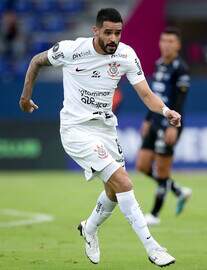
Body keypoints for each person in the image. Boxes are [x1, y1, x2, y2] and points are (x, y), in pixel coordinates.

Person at [19, 8, 179, 267]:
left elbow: (147, 94)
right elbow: (37, 60)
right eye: (108, 33)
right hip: (76, 129)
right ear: (95, 31)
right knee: (124, 183)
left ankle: (89, 228)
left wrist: (165, 110)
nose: (113, 38)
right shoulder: (72, 50)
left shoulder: (126, 54)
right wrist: (26, 97)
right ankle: (153, 247)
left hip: (106, 129)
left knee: (114, 193)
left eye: (117, 33)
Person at [135, 27, 192, 226]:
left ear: (178, 45)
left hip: (170, 123)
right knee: (141, 165)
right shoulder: (159, 64)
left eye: (171, 41)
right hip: (155, 121)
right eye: (164, 40)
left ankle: (155, 215)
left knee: (161, 170)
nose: (166, 45)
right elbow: (154, 96)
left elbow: (180, 99)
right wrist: (148, 119)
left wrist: (173, 126)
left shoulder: (181, 68)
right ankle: (178, 190)